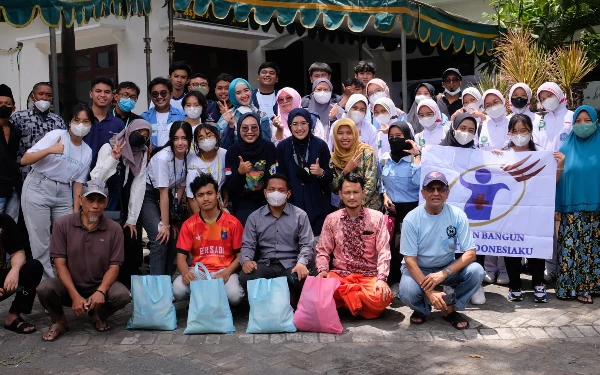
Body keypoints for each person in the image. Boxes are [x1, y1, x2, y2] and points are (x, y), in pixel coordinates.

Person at [37, 180, 129, 341]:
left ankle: (97, 314)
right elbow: (60, 264)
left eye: (100, 200)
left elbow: (114, 266)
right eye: (90, 199)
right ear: (80, 200)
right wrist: (74, 296)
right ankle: (59, 320)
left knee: (122, 295)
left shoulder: (114, 229)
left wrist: (100, 291)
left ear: (106, 202)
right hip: (70, 285)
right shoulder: (62, 225)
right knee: (44, 288)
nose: (95, 205)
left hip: (99, 285)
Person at [399, 171, 485, 329]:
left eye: (441, 189)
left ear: (447, 193)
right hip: (419, 268)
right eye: (431, 189)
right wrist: (430, 293)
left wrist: (444, 273)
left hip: (446, 267)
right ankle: (422, 309)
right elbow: (410, 260)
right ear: (423, 193)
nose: (436, 193)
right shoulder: (411, 219)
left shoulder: (458, 215)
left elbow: (471, 254)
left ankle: (450, 308)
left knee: (476, 271)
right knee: (407, 291)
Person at [490, 114, 561, 303]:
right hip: (509, 211)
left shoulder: (542, 155)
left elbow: (551, 183)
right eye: (515, 131)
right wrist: (492, 159)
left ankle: (538, 285)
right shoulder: (502, 155)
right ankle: (515, 286)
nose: (519, 134)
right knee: (511, 247)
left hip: (534, 211)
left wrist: (559, 165)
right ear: (509, 132)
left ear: (531, 132)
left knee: (534, 245)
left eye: (524, 130)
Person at [21, 104, 93, 280]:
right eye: (77, 120)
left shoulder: (87, 151)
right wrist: (49, 150)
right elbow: (25, 159)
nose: (81, 125)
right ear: (70, 122)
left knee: (67, 238)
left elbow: (78, 183)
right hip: (39, 186)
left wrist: (76, 211)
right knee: (41, 243)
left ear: (91, 124)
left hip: (63, 192)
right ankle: (47, 288)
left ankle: (65, 281)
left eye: (86, 121)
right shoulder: (56, 136)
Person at [316, 173, 393, 319]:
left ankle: (347, 302)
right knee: (321, 289)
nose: (352, 197)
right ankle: (356, 302)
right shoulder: (332, 219)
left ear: (363, 193)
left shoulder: (377, 218)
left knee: (383, 298)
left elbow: (384, 250)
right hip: (340, 275)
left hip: (368, 277)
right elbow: (322, 250)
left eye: (356, 192)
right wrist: (322, 270)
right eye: (347, 192)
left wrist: (382, 278)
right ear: (340, 194)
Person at [90, 119, 152, 289]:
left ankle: (126, 284)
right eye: (138, 133)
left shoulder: (141, 153)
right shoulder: (109, 147)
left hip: (125, 205)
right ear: (129, 130)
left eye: (145, 136)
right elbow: (96, 179)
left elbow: (139, 185)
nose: (141, 138)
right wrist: (113, 158)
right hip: (105, 204)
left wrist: (132, 219)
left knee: (131, 238)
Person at [238, 173, 314, 304]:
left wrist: (301, 263)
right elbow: (248, 245)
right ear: (265, 193)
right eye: (272, 190)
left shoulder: (300, 215)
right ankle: (268, 304)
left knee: (301, 279)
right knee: (246, 277)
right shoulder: (254, 217)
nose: (276, 193)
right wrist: (246, 261)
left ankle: (292, 301)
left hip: (291, 265)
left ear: (288, 194)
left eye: (281, 190)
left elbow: (307, 244)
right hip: (266, 264)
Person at [173, 173, 244, 305]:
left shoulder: (233, 223)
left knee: (235, 296)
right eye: (200, 195)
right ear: (194, 199)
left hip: (224, 270)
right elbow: (181, 257)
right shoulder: (189, 224)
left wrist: (227, 273)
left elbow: (241, 256)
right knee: (178, 289)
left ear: (217, 195)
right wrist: (184, 273)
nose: (205, 198)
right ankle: (200, 304)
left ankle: (218, 306)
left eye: (209, 193)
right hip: (199, 271)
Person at [439, 112, 487, 305]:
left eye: (471, 130)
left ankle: (475, 283)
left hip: (472, 208)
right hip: (447, 207)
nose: (466, 133)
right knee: (448, 242)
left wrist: (499, 157)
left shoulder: (478, 153)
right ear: (453, 128)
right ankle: (449, 282)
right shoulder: (439, 151)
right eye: (462, 128)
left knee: (475, 241)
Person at [555, 105, 600, 303]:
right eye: (578, 121)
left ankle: (589, 288)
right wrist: (557, 206)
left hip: (596, 209)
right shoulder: (565, 148)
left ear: (595, 122)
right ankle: (568, 288)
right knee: (572, 249)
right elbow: (557, 180)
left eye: (587, 121)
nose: (582, 125)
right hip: (571, 209)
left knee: (592, 249)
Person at [533, 82, 573, 282]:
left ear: (558, 94)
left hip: (568, 174)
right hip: (545, 177)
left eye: (548, 95)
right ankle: (550, 265)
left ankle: (563, 263)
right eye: (541, 98)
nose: (545, 100)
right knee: (547, 222)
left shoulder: (572, 117)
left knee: (563, 221)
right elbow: (537, 144)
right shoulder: (541, 120)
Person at [140, 121, 192, 275]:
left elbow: (180, 188)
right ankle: (156, 286)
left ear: (190, 139)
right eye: (176, 139)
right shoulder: (163, 158)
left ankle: (167, 282)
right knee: (160, 237)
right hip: (149, 196)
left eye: (184, 138)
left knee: (173, 237)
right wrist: (166, 225)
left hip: (168, 197)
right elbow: (162, 192)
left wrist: (173, 218)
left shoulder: (188, 157)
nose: (180, 143)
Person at [276, 108, 332, 236]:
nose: (299, 128)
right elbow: (280, 177)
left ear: (309, 124)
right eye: (295, 124)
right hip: (292, 205)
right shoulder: (283, 147)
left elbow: (330, 178)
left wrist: (321, 172)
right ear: (289, 126)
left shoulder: (320, 145)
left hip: (317, 205)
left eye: (303, 123)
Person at [379, 122, 421, 285]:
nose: (395, 140)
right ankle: (393, 280)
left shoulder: (416, 158)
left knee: (403, 246)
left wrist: (417, 156)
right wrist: (384, 194)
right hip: (390, 209)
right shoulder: (384, 159)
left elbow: (419, 183)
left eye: (399, 136)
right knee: (388, 246)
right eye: (391, 137)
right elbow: (380, 181)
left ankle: (410, 281)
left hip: (411, 209)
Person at [224, 113, 277, 225]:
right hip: (243, 203)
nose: (249, 131)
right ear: (238, 129)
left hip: (267, 201)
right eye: (244, 128)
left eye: (254, 127)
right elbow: (231, 188)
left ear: (259, 128)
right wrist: (239, 173)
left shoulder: (269, 148)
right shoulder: (232, 152)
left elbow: (273, 178)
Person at [83, 77, 126, 211]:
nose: (102, 95)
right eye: (98, 91)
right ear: (91, 94)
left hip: (109, 181)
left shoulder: (118, 123)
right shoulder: (82, 118)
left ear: (113, 96)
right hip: (82, 178)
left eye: (106, 92)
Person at [11, 82, 67, 181]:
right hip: (23, 175)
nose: (44, 98)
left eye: (48, 95)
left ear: (52, 98)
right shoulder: (19, 118)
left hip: (50, 176)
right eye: (41, 94)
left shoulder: (58, 121)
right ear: (33, 96)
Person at [0, 214, 43, 334]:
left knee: (33, 267)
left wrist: (15, 270)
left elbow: (18, 252)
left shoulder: (3, 220)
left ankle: (13, 316)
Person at [330, 118, 381, 211]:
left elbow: (371, 184)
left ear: (355, 134)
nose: (345, 137)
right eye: (340, 133)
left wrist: (355, 207)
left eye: (349, 133)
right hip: (345, 210)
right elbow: (334, 187)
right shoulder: (333, 158)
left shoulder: (366, 153)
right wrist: (345, 171)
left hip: (368, 208)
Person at [216, 78, 271, 149]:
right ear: (233, 95)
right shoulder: (227, 116)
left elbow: (266, 144)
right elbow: (224, 147)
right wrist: (230, 126)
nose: (244, 95)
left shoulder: (262, 116)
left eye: (246, 90)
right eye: (238, 93)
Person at [186, 123, 228, 214]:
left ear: (216, 136)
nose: (206, 140)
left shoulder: (224, 154)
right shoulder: (193, 164)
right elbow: (191, 198)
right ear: (196, 142)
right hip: (201, 207)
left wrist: (225, 194)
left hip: (219, 204)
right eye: (201, 138)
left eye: (209, 135)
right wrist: (202, 220)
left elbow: (225, 179)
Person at [141, 77, 187, 148]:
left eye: (163, 93)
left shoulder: (182, 116)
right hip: (152, 157)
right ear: (151, 96)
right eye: (155, 94)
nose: (159, 97)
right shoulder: (143, 118)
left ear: (171, 94)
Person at [0, 84, 21, 221]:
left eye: (7, 104)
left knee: (10, 228)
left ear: (13, 108)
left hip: (13, 187)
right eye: (0, 103)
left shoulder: (16, 130)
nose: (3, 106)